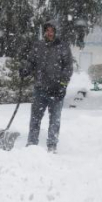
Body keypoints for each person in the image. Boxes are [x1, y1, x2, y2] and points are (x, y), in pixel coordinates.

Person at [19, 21, 73, 153]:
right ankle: (31, 144)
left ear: (56, 32)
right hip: (40, 89)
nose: (49, 33)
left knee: (54, 120)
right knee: (35, 118)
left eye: (52, 31)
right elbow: (31, 61)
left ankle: (52, 146)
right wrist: (25, 69)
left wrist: (62, 86)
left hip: (56, 90)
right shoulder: (38, 46)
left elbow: (68, 68)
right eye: (47, 30)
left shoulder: (63, 47)